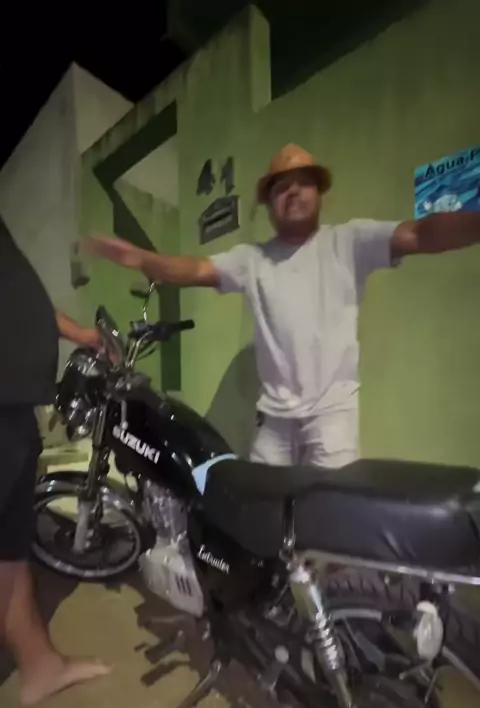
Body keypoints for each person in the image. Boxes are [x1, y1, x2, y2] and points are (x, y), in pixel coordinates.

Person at [86, 143, 480, 467]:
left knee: (330, 516)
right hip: (274, 422)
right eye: (281, 187)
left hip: (331, 419)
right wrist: (141, 258)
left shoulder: (350, 241)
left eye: (303, 183)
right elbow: (195, 268)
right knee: (264, 514)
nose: (293, 192)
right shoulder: (252, 260)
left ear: (319, 193)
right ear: (269, 203)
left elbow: (419, 235)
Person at [0, 215, 111, 706]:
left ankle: (40, 667)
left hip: (15, 404)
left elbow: (19, 299)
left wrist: (82, 335)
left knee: (9, 549)